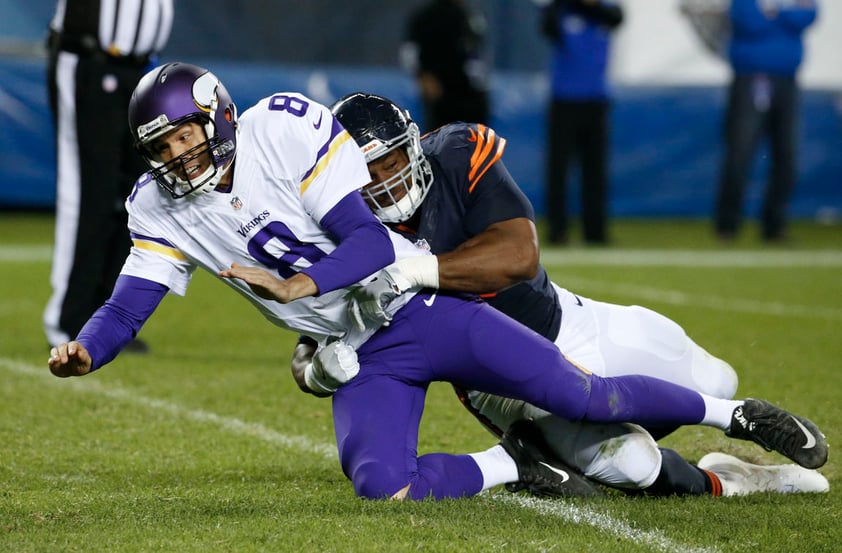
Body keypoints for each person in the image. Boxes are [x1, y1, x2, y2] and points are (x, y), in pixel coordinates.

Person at [48, 63, 828, 502]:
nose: (180, 158)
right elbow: (131, 300)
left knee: (588, 394)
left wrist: (299, 286)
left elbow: (364, 240)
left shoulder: (282, 127)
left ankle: (736, 413)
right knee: (381, 485)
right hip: (356, 346)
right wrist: (88, 347)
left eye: (186, 137)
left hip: (415, 307)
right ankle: (514, 465)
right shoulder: (157, 203)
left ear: (217, 117)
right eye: (164, 148)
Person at [289, 91, 828, 498]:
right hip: (496, 380)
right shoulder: (330, 224)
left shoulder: (454, 154)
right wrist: (314, 370)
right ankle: (728, 480)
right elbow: (310, 334)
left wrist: (415, 270)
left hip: (566, 320)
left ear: (415, 145)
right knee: (632, 463)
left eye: (393, 164)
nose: (386, 183)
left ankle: (729, 416)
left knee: (717, 378)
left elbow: (518, 255)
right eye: (368, 175)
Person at [43, 0, 174, 353]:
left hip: (142, 71)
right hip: (90, 62)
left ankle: (106, 319)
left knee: (138, 197)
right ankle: (68, 321)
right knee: (88, 193)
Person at [714, 0, 818, 242]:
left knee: (786, 156)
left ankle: (774, 225)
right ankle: (728, 225)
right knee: (741, 152)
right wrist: (784, 13)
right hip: (751, 79)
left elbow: (808, 16)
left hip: (787, 80)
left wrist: (774, 12)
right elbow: (749, 22)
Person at [539, 0, 623, 245]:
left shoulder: (604, 13)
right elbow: (547, 25)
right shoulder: (561, 12)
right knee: (559, 170)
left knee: (595, 170)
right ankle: (558, 229)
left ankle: (595, 231)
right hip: (564, 101)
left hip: (596, 101)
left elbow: (617, 17)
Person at [400, 0, 490, 131]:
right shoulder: (427, 17)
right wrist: (422, 76)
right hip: (441, 92)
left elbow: (476, 54)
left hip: (471, 93)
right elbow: (410, 52)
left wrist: (481, 86)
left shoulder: (471, 17)